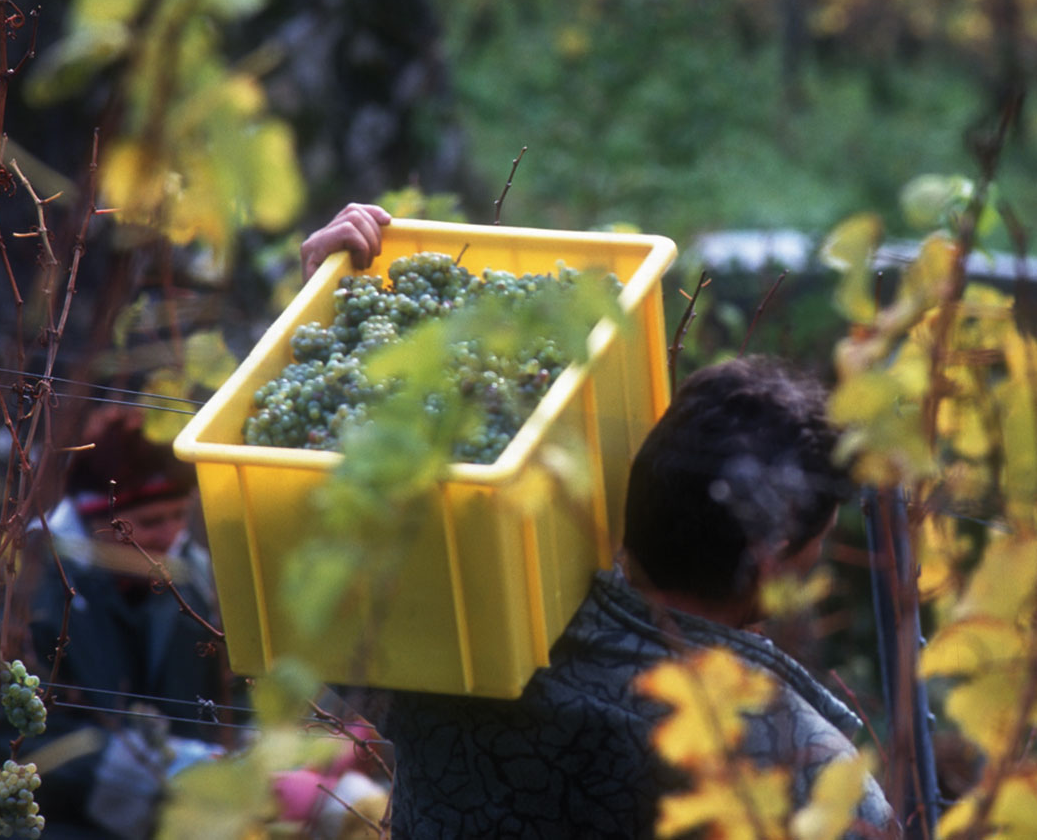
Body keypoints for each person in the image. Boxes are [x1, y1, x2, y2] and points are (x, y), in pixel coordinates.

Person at [300, 205, 896, 838]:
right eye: (820, 542)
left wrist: (320, 300)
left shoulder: (471, 635)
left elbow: (306, 579)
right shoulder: (807, 767)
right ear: (774, 559)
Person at [3, 406, 241, 840]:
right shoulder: (32, 595)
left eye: (179, 516)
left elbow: (234, 698)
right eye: (151, 522)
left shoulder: (194, 583)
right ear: (95, 521)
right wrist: (159, 776)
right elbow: (8, 742)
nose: (170, 535)